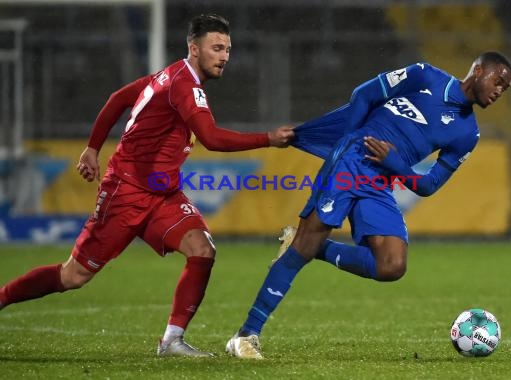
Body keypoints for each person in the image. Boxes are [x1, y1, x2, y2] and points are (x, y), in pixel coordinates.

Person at [0, 14, 294, 357]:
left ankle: (171, 341)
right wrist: (267, 139)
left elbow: (117, 99)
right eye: (217, 48)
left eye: (227, 49)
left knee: (202, 250)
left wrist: (93, 148)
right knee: (73, 276)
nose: (225, 56)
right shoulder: (184, 85)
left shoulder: (171, 74)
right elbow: (211, 138)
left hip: (162, 193)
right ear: (194, 49)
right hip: (125, 192)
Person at [225, 52, 511, 359]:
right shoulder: (425, 75)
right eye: (498, 82)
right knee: (304, 245)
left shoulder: (468, 134)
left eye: (504, 89)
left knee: (392, 265)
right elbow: (363, 95)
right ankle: (245, 335)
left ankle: (315, 248)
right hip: (351, 160)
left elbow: (428, 185)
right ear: (478, 70)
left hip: (381, 180)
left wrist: (397, 165)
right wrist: (348, 142)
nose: (498, 91)